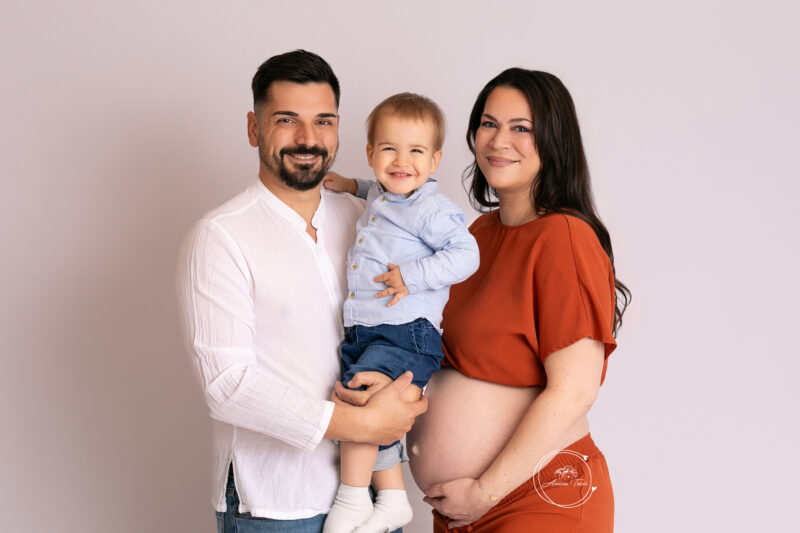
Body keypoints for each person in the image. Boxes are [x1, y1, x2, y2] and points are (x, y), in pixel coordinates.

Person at [338, 68, 631, 532]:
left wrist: (486, 491)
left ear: (554, 140)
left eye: (521, 128)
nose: (499, 140)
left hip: (536, 499)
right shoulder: (474, 237)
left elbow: (575, 389)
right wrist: (391, 381)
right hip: (464, 512)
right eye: (489, 124)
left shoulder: (563, 237)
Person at [176, 49, 428, 533]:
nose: (308, 139)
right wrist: (360, 425)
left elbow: (408, 320)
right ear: (254, 129)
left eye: (323, 121)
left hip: (375, 500)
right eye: (287, 120)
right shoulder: (221, 236)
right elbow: (227, 386)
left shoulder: (367, 223)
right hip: (276, 504)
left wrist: (407, 391)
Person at [321, 93, 479, 533]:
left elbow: (467, 255)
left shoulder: (431, 208)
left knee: (359, 402)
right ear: (371, 154)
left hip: (405, 333)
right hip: (369, 331)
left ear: (435, 160)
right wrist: (352, 186)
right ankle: (390, 497)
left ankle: (352, 499)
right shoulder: (387, 194)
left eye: (415, 151)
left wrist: (411, 276)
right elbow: (377, 190)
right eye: (389, 149)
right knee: (371, 406)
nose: (401, 161)